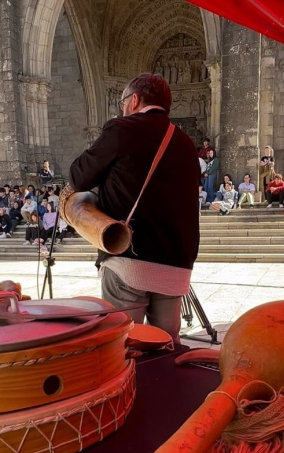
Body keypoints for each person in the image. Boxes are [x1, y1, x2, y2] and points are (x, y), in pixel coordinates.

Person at [70, 72, 200, 341]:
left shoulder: (121, 129)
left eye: (122, 102)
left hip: (130, 257)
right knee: (166, 344)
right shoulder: (187, 143)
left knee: (124, 345)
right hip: (176, 263)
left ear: (134, 100)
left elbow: (78, 177)